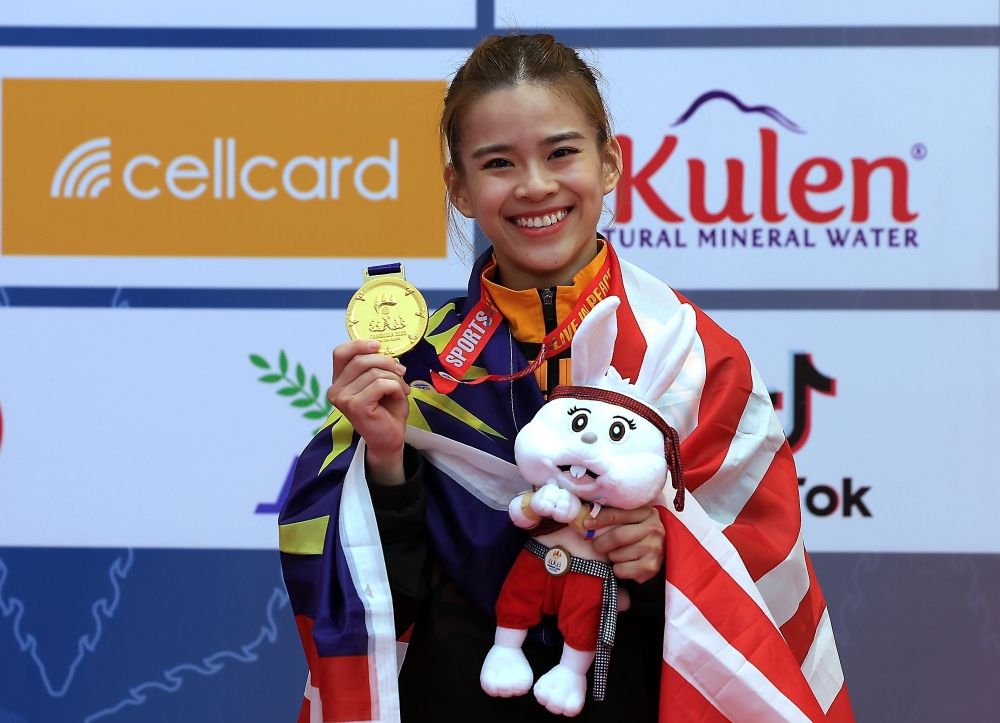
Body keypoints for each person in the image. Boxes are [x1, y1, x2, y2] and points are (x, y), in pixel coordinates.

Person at [279, 33, 855, 723]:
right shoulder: (415, 373)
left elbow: (760, 596)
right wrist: (383, 461)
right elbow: (376, 609)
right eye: (498, 163)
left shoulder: (693, 357)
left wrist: (671, 555)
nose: (535, 186)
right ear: (459, 187)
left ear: (609, 163)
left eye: (561, 152)